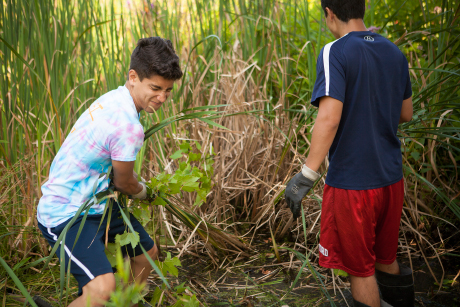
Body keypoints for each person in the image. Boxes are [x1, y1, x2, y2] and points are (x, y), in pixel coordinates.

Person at [284, 1, 414, 306]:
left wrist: (307, 175)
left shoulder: (335, 51)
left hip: (354, 184)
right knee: (385, 259)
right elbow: (406, 113)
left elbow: (329, 119)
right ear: (362, 7)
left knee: (360, 270)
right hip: (392, 180)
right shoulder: (394, 52)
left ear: (329, 12)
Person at [36, 37, 183, 307]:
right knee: (103, 288)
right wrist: (146, 192)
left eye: (168, 90)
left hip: (97, 201)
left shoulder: (116, 97)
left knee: (146, 255)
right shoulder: (128, 124)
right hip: (66, 212)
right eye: (155, 88)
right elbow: (125, 182)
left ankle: (122, 304)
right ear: (133, 76)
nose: (162, 98)